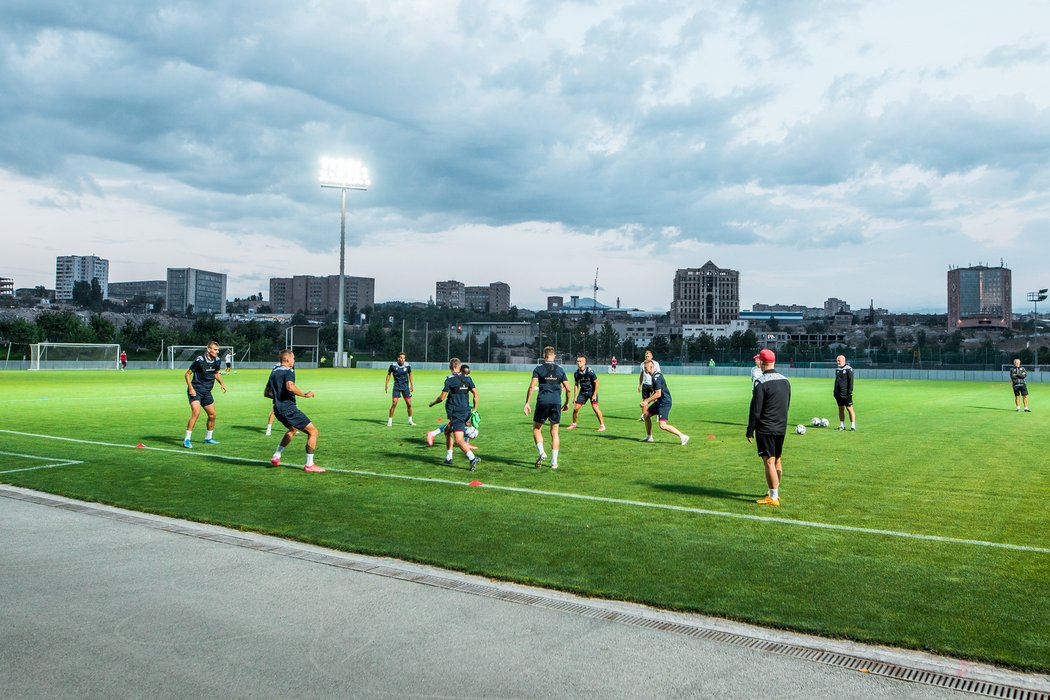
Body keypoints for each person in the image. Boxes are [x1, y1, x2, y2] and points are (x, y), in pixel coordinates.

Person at [746, 349, 791, 507]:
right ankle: (775, 492)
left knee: (769, 462)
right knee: (777, 460)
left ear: (763, 363)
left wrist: (750, 429)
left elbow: (756, 410)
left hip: (766, 427)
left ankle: (773, 497)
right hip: (781, 426)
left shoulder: (760, 382)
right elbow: (787, 405)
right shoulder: (785, 380)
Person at [267, 349, 323, 472]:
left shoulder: (274, 372)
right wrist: (304, 394)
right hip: (289, 409)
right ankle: (309, 465)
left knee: (292, 429)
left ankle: (277, 455)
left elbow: (267, 393)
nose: (294, 361)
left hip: (277, 409)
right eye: (293, 358)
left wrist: (279, 397)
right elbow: (290, 387)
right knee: (313, 432)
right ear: (287, 359)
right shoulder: (289, 371)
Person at [428, 358, 480, 471]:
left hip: (456, 412)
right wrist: (474, 409)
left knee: (458, 439)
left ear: (451, 367)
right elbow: (476, 394)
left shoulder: (450, 379)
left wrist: (433, 403)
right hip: (466, 411)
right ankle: (449, 457)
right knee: (447, 431)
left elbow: (442, 398)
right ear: (460, 367)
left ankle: (472, 458)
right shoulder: (468, 378)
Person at [524, 346, 571, 469]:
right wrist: (566, 403)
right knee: (555, 432)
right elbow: (569, 389)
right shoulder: (560, 370)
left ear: (544, 356)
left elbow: (531, 387)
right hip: (556, 402)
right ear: (554, 356)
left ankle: (541, 452)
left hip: (543, 401)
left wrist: (527, 403)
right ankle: (554, 462)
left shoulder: (538, 369)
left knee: (536, 429)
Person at [182, 340, 227, 449]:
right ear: (209, 349)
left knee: (212, 415)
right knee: (196, 413)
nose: (217, 352)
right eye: (215, 350)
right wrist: (191, 388)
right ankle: (187, 439)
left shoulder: (217, 360)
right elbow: (187, 374)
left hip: (207, 392)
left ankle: (208, 438)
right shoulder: (199, 360)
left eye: (218, 350)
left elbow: (216, 373)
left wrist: (222, 384)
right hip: (196, 390)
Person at [639, 359, 689, 445]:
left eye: (646, 368)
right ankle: (649, 437)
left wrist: (646, 401)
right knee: (646, 415)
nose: (644, 369)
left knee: (662, 425)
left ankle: (683, 436)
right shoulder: (654, 376)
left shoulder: (656, 378)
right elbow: (657, 393)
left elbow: (658, 394)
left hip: (664, 403)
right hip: (660, 402)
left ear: (651, 367)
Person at [567, 354, 605, 431]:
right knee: (575, 409)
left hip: (591, 392)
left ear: (584, 362)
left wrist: (594, 395)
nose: (578, 363)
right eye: (577, 361)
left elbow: (596, 382)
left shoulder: (590, 372)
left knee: (595, 408)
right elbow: (576, 385)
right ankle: (574, 424)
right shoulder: (576, 373)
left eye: (580, 361)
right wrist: (575, 397)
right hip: (583, 392)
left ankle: (602, 425)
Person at [385, 352, 415, 427]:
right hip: (397, 387)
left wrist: (411, 385)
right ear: (398, 358)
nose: (402, 359)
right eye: (401, 358)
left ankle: (410, 420)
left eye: (404, 358)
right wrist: (386, 384)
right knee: (394, 403)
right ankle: (390, 421)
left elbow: (410, 374)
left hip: (405, 387)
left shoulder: (407, 365)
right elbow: (388, 374)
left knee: (409, 404)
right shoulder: (393, 365)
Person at [637, 349, 661, 421]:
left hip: (653, 384)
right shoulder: (642, 364)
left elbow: (658, 374)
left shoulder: (656, 364)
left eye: (648, 356)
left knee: (656, 400)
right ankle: (643, 416)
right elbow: (641, 375)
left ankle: (658, 415)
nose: (647, 357)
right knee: (644, 400)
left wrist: (657, 384)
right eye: (646, 356)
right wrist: (640, 385)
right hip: (645, 384)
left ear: (651, 356)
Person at [834, 354, 856, 431]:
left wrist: (849, 393)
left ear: (843, 360)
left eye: (838, 360)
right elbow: (836, 381)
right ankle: (841, 425)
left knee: (849, 408)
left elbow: (851, 382)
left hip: (846, 394)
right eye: (837, 360)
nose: (837, 362)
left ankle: (853, 426)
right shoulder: (837, 369)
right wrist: (835, 392)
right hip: (838, 394)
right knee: (840, 409)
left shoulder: (849, 369)